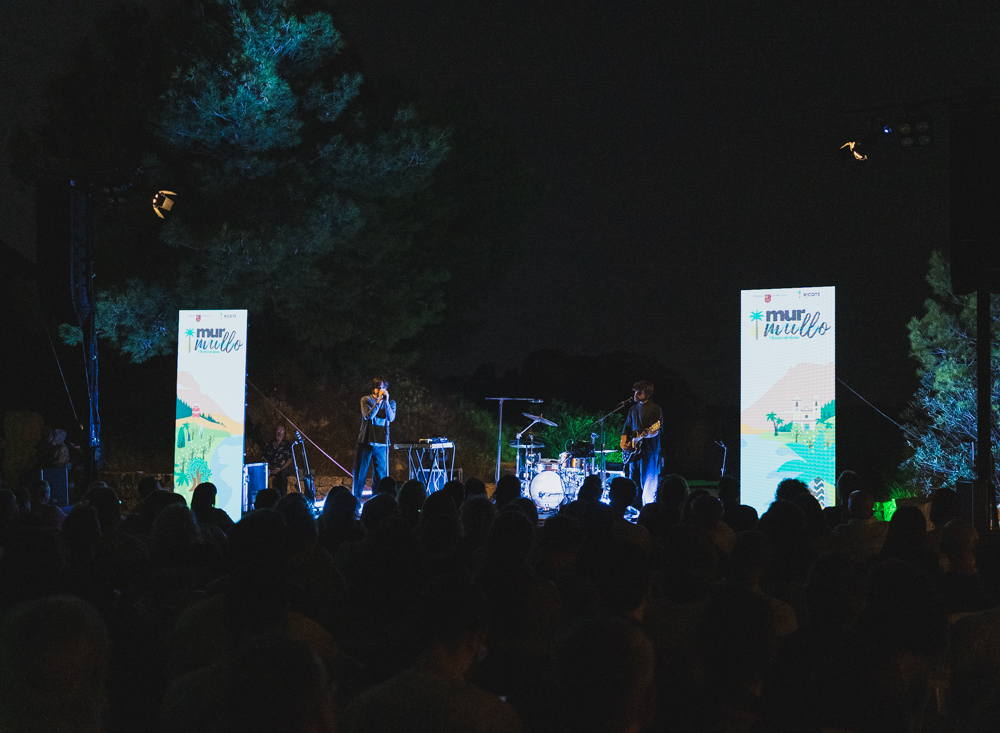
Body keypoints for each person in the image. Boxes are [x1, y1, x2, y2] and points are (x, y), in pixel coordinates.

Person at [352, 377, 396, 502]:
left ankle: (378, 501)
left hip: (382, 444)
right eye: (378, 387)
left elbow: (391, 418)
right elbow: (368, 416)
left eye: (383, 387)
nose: (380, 390)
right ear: (373, 389)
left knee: (380, 476)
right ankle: (355, 501)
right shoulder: (366, 399)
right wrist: (378, 402)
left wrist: (386, 402)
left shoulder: (391, 402)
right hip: (365, 442)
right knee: (360, 474)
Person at [620, 380, 663, 506]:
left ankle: (648, 510)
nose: (636, 394)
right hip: (634, 452)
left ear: (648, 394)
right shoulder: (633, 409)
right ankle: (633, 508)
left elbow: (656, 430)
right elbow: (626, 429)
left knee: (649, 484)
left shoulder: (655, 409)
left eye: (640, 392)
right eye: (635, 392)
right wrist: (623, 443)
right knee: (633, 482)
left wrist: (647, 434)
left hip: (650, 451)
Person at [262, 425, 294, 496]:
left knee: (282, 476)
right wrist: (271, 468)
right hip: (271, 469)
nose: (279, 433)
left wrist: (281, 468)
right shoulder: (269, 444)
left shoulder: (287, 445)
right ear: (275, 432)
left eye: (281, 431)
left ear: (284, 433)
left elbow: (290, 459)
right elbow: (264, 458)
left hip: (283, 469)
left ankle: (283, 498)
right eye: (278, 431)